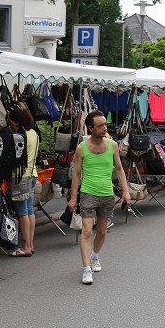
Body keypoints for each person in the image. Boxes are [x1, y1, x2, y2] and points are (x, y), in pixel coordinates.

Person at [68, 111, 131, 285]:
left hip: (106, 194)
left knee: (102, 231)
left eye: (105, 125)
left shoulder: (112, 146)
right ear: (90, 128)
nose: (105, 128)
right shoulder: (81, 148)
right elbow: (77, 174)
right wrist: (74, 197)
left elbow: (119, 169)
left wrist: (126, 192)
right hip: (88, 192)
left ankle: (95, 255)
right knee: (87, 231)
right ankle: (86, 269)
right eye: (100, 125)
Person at [7, 106, 39, 257]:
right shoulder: (34, 133)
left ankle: (26, 246)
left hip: (21, 176)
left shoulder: (19, 136)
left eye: (12, 122)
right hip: (32, 174)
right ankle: (30, 244)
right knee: (29, 211)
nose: (11, 125)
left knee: (22, 213)